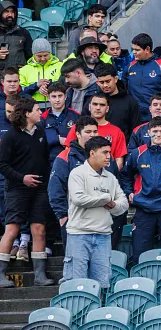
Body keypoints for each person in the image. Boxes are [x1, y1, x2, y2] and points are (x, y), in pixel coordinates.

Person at [0, 96, 54, 287]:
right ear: (26, 113)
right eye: (37, 110)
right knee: (12, 229)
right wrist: (22, 178)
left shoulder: (40, 131)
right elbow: (2, 165)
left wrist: (44, 183)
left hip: (39, 189)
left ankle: (40, 275)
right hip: (17, 189)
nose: (41, 112)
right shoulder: (10, 136)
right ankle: (0, 273)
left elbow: (45, 158)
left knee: (39, 229)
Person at [64, 136, 128, 288]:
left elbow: (124, 204)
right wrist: (105, 199)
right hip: (79, 234)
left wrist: (113, 205)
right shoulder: (77, 173)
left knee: (102, 284)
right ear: (92, 153)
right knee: (77, 283)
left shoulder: (111, 177)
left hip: (103, 235)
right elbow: (78, 199)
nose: (109, 156)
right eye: (104, 152)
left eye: (110, 152)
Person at [126, 33, 161, 117]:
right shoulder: (130, 67)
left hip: (158, 117)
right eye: (132, 49)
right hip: (135, 118)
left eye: (137, 50)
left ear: (147, 49)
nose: (134, 52)